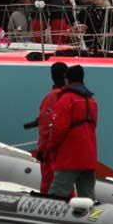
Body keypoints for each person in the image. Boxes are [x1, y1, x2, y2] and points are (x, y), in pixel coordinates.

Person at [47, 65, 98, 199]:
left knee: (56, 196)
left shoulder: (66, 99)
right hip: (89, 156)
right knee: (87, 197)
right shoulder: (92, 101)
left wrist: (50, 147)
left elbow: (59, 129)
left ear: (67, 79)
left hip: (69, 157)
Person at [32, 62, 68, 193]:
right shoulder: (74, 96)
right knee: (66, 184)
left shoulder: (52, 97)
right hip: (69, 149)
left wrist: (42, 149)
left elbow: (45, 127)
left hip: (52, 150)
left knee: (49, 182)